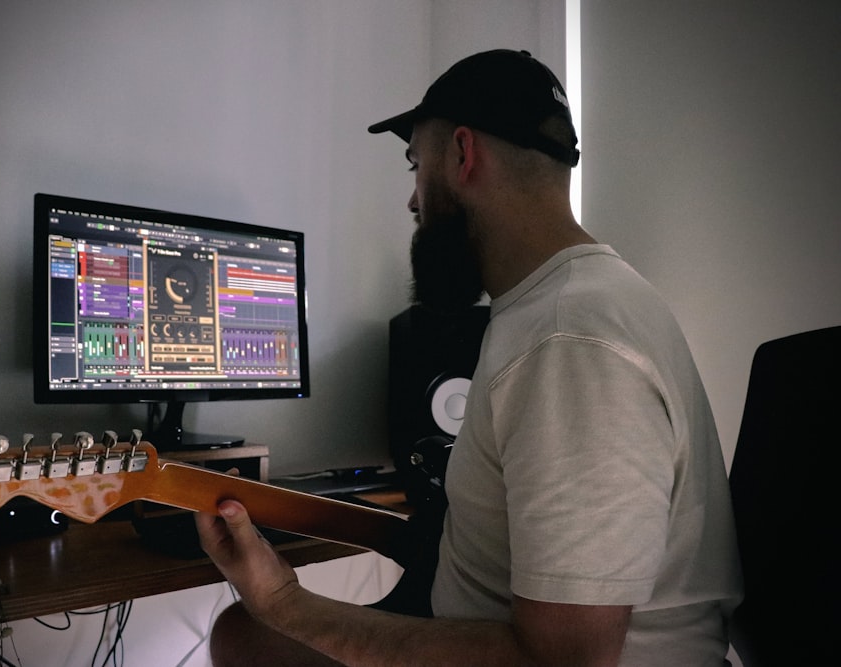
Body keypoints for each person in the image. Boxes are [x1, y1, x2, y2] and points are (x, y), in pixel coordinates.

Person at [195, 49, 742, 667]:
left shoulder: (568, 341)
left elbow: (565, 662)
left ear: (461, 154)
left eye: (415, 166)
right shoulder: (555, 307)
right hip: (481, 620)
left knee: (253, 633)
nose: (412, 201)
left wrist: (283, 599)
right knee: (245, 636)